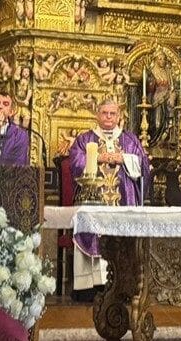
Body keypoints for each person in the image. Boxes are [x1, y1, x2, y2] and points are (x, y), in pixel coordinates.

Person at [68, 100, 150, 298]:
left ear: (119, 115)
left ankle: (123, 285)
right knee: (92, 233)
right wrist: (98, 158)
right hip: (93, 199)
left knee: (123, 241)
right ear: (97, 114)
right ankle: (90, 286)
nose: (108, 117)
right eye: (104, 113)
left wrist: (124, 159)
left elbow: (143, 165)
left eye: (112, 113)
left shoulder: (130, 140)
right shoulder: (85, 139)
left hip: (123, 200)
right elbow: (75, 162)